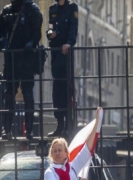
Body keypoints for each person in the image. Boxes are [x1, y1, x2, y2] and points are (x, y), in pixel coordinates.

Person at [0, 0, 43, 140]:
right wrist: (2, 41)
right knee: (9, 94)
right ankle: (6, 129)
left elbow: (37, 33)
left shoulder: (32, 10)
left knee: (28, 94)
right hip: (11, 59)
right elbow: (0, 31)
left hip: (27, 59)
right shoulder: (6, 11)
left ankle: (29, 130)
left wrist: (31, 43)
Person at [46, 0, 78, 137]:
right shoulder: (52, 9)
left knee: (67, 89)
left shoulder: (72, 8)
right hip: (55, 53)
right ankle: (59, 124)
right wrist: (50, 33)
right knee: (57, 89)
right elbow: (50, 27)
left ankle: (67, 125)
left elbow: (73, 29)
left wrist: (69, 43)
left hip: (66, 54)